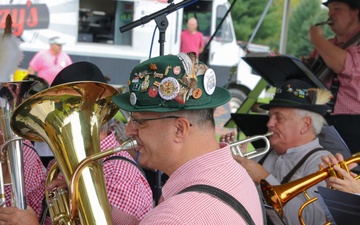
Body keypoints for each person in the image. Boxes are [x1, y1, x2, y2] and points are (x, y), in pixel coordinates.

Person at [111, 52, 264, 224]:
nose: (129, 129)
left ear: (179, 129)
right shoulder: (236, 174)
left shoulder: (176, 217)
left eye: (139, 121)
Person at [227, 79, 333, 225]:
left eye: (279, 117)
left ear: (305, 124)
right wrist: (231, 164)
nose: (269, 123)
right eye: (270, 116)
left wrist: (264, 178)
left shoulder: (323, 163)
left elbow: (310, 221)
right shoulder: (261, 153)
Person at [305, 0, 360, 155]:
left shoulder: (323, 45)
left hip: (354, 124)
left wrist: (317, 39)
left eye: (337, 8)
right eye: (329, 10)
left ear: (354, 13)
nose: (330, 14)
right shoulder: (327, 46)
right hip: (323, 119)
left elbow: (345, 66)